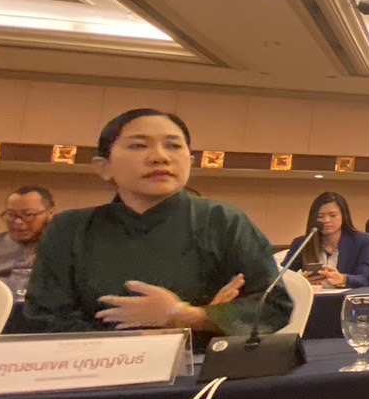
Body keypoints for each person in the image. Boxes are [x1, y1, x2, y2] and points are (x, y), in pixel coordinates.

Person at [23, 109, 291, 335]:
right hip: (94, 369)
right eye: (138, 145)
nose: (159, 157)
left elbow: (273, 307)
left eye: (173, 145)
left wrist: (189, 316)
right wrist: (136, 345)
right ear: (103, 167)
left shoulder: (223, 222)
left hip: (204, 371)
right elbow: (44, 317)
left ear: (190, 161)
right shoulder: (69, 229)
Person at [289, 192, 369, 289]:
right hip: (313, 297)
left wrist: (343, 279)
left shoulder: (362, 241)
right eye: (320, 216)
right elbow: (281, 277)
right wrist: (301, 282)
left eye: (333, 215)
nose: (326, 220)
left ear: (343, 216)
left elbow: (365, 277)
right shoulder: (302, 243)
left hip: (345, 297)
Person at [0, 185, 55, 296]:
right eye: (11, 215)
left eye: (28, 214)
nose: (18, 222)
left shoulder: (66, 247)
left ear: (50, 213)